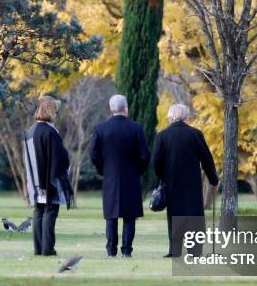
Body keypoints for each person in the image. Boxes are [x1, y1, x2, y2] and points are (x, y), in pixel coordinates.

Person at [152, 104, 219, 257]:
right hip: (192, 184)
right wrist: (213, 179)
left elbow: (156, 162)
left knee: (174, 215)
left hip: (171, 182)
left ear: (170, 116)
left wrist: (161, 177)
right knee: (194, 215)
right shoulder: (195, 134)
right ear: (186, 116)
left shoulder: (162, 136)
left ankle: (174, 251)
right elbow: (207, 159)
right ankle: (195, 251)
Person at [90, 94, 150, 258]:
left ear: (111, 109)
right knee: (129, 216)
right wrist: (138, 170)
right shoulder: (136, 128)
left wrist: (103, 170)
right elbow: (145, 155)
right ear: (126, 109)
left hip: (110, 177)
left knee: (111, 216)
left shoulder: (100, 129)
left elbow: (94, 155)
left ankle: (111, 251)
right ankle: (127, 251)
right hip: (131, 177)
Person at [24, 96, 73, 256]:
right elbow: (60, 158)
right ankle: (48, 249)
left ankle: (38, 249)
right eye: (56, 111)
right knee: (50, 212)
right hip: (48, 181)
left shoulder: (29, 132)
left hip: (34, 181)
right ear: (51, 111)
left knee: (38, 212)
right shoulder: (50, 132)